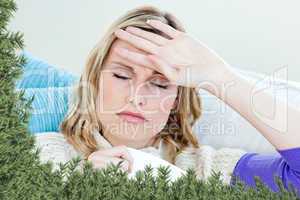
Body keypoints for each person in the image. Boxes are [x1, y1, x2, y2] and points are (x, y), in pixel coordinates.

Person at [35, 5, 300, 194]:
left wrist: (218, 75)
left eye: (160, 83)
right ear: (95, 82)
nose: (137, 98)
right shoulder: (43, 154)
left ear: (175, 99)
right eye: (121, 75)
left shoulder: (206, 170)